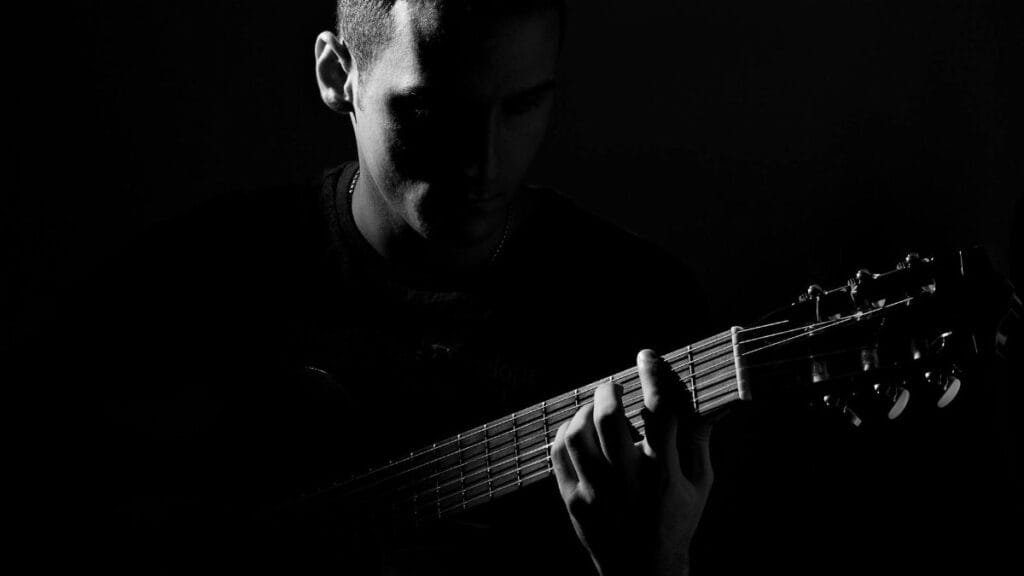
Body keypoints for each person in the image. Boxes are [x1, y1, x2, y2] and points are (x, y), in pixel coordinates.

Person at [80, 1, 714, 574]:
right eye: (433, 110)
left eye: (521, 106)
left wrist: (651, 569)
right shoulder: (193, 283)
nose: (483, 163)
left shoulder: (645, 311)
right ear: (338, 75)